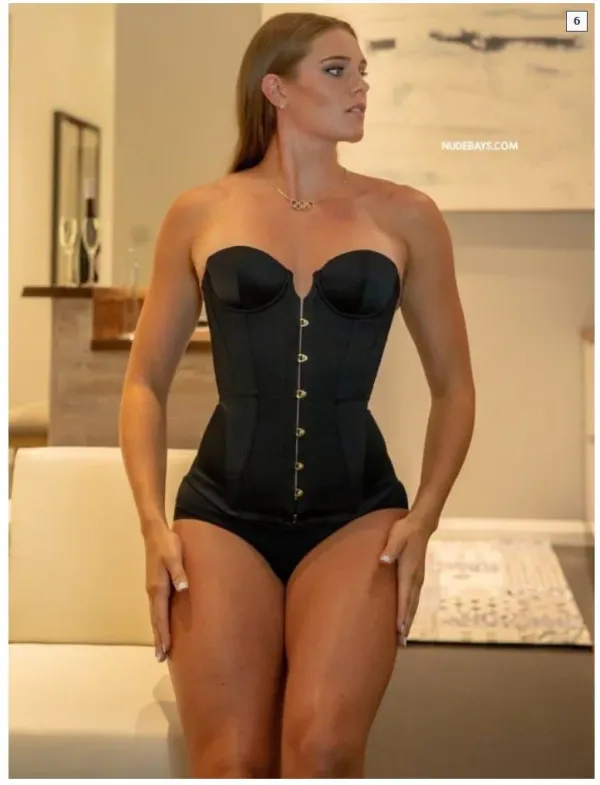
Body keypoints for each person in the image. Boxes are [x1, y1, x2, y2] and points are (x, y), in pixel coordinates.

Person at [119, 10, 475, 779]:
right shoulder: (201, 211)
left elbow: (453, 386)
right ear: (275, 89)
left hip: (356, 512)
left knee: (322, 749)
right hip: (222, 514)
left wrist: (425, 517)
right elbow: (144, 381)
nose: (361, 87)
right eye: (337, 70)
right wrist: (151, 524)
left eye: (363, 71)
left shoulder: (408, 215)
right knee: (232, 759)